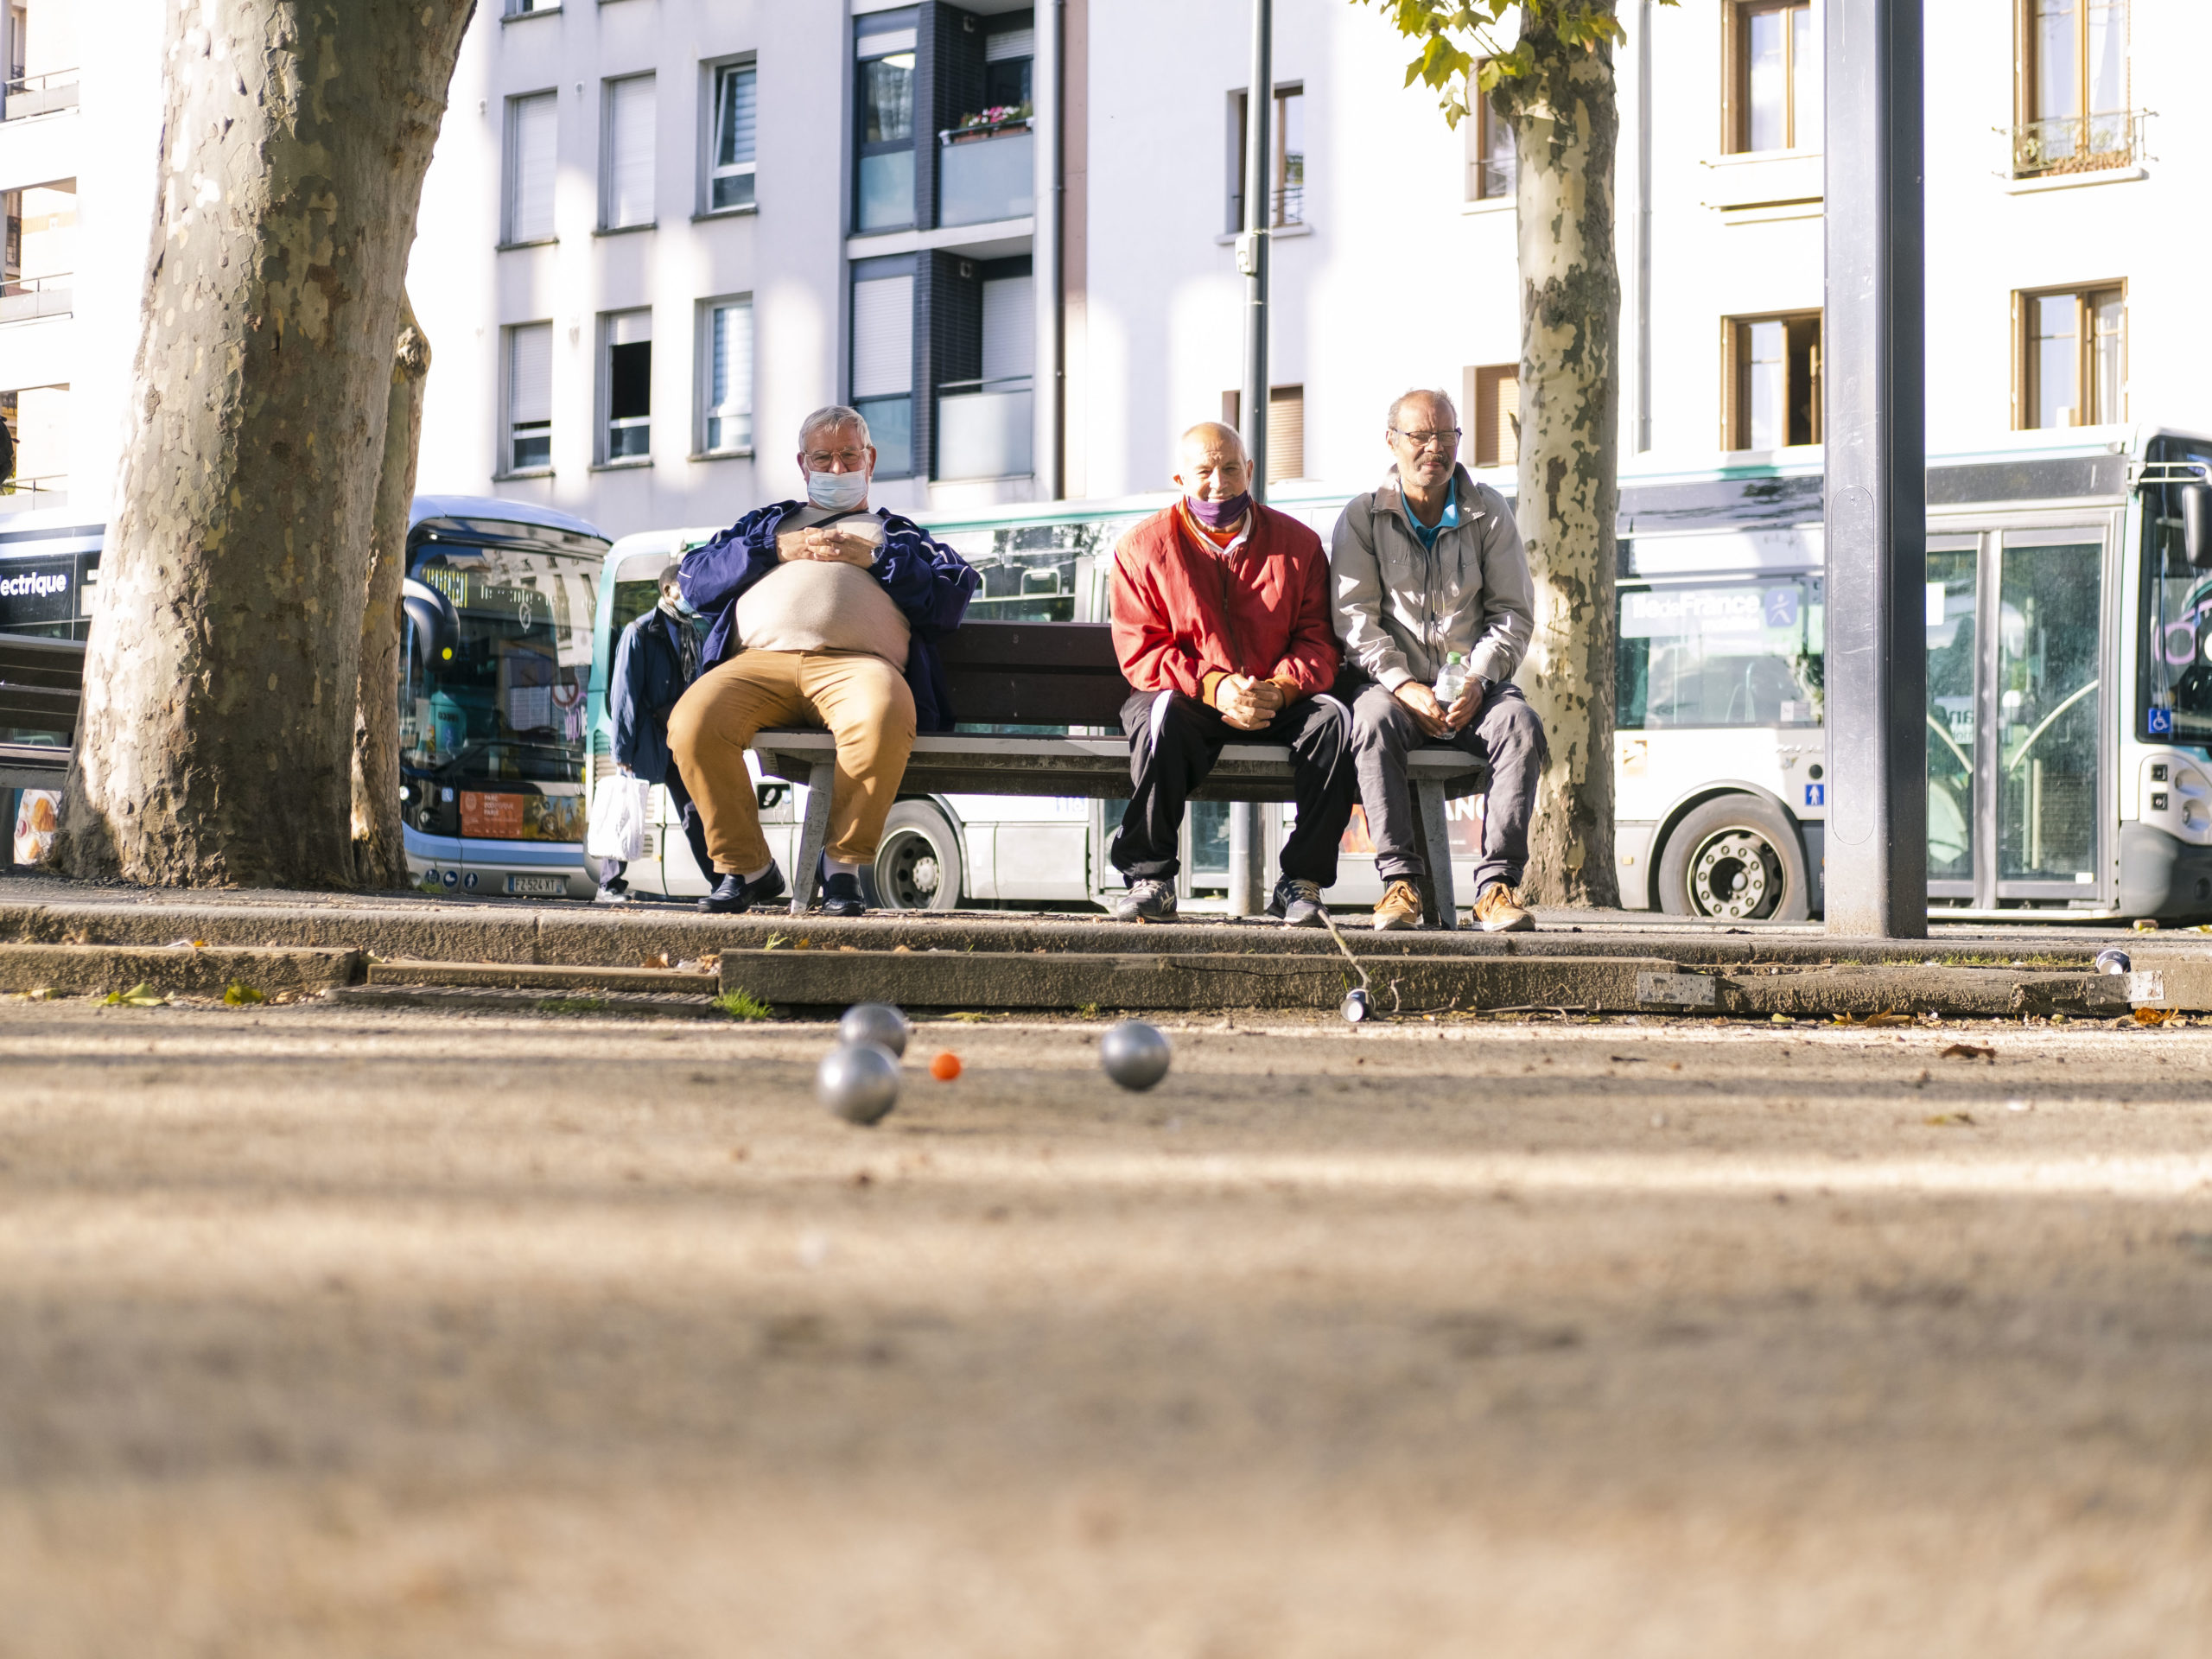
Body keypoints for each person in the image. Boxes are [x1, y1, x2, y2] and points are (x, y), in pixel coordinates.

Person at [668, 406, 979, 917]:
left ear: (870, 460)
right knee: (692, 722)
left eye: (849, 456)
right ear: (803, 463)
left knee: (884, 712)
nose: (837, 468)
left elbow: (951, 599)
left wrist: (876, 559)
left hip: (857, 669)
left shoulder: (897, 535)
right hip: (758, 665)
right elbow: (694, 580)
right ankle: (747, 868)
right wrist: (773, 549)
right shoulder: (768, 525)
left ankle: (841, 869)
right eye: (823, 458)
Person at [1106, 421, 1355, 925]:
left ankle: (1301, 881)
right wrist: (1214, 686)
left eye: (1230, 469)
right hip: (1188, 695)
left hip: (1275, 695)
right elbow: (1142, 650)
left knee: (1336, 721)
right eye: (1204, 471)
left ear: (1250, 471)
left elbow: (1319, 640)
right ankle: (1151, 877)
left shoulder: (1300, 544)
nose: (1218, 483)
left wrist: (1280, 690)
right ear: (1180, 479)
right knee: (1160, 716)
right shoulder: (1141, 548)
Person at [1332, 388, 1545, 931]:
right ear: (1392, 441)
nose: (1435, 447)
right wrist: (1403, 685)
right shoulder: (1362, 517)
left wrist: (1479, 677)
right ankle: (1399, 885)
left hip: (1474, 687)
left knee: (1520, 724)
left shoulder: (1489, 511)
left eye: (1446, 435)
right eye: (1421, 436)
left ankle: (1496, 889)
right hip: (1396, 690)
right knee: (1371, 720)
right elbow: (1355, 620)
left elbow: (1512, 613)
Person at [594, 560, 715, 904]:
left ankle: (720, 883)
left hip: (679, 738)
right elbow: (624, 696)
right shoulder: (640, 631)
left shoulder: (692, 632)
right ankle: (608, 885)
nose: (692, 596)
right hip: (647, 737)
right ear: (668, 590)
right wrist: (621, 751)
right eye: (686, 589)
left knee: (695, 812)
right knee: (625, 806)